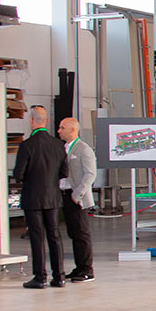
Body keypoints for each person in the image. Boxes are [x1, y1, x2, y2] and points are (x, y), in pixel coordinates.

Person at [13, 105, 67, 289]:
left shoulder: (27, 145)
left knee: (37, 237)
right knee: (54, 235)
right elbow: (64, 171)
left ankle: (40, 277)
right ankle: (59, 276)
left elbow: (18, 174)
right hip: (52, 196)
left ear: (31, 121)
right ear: (47, 121)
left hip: (33, 197)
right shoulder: (58, 145)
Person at [58, 117, 97, 283]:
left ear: (73, 130)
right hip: (65, 195)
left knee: (81, 233)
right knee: (73, 233)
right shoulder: (64, 148)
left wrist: (78, 194)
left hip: (77, 198)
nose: (59, 131)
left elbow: (90, 174)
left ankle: (87, 269)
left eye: (62, 128)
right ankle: (79, 267)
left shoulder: (83, 149)